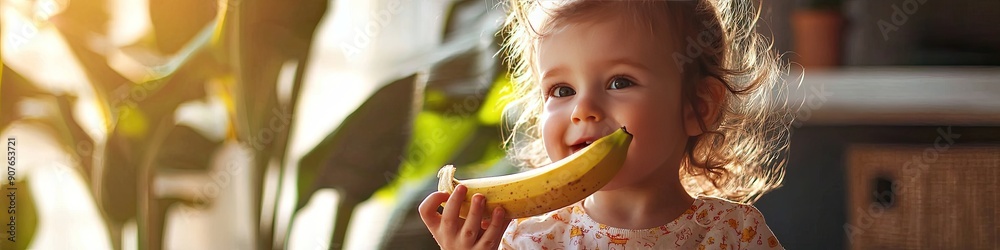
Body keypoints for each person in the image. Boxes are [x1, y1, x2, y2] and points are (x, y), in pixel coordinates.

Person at [419, 0, 792, 249]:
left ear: (697, 106)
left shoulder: (735, 233)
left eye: (619, 82)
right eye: (562, 89)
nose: (584, 110)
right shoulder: (528, 239)